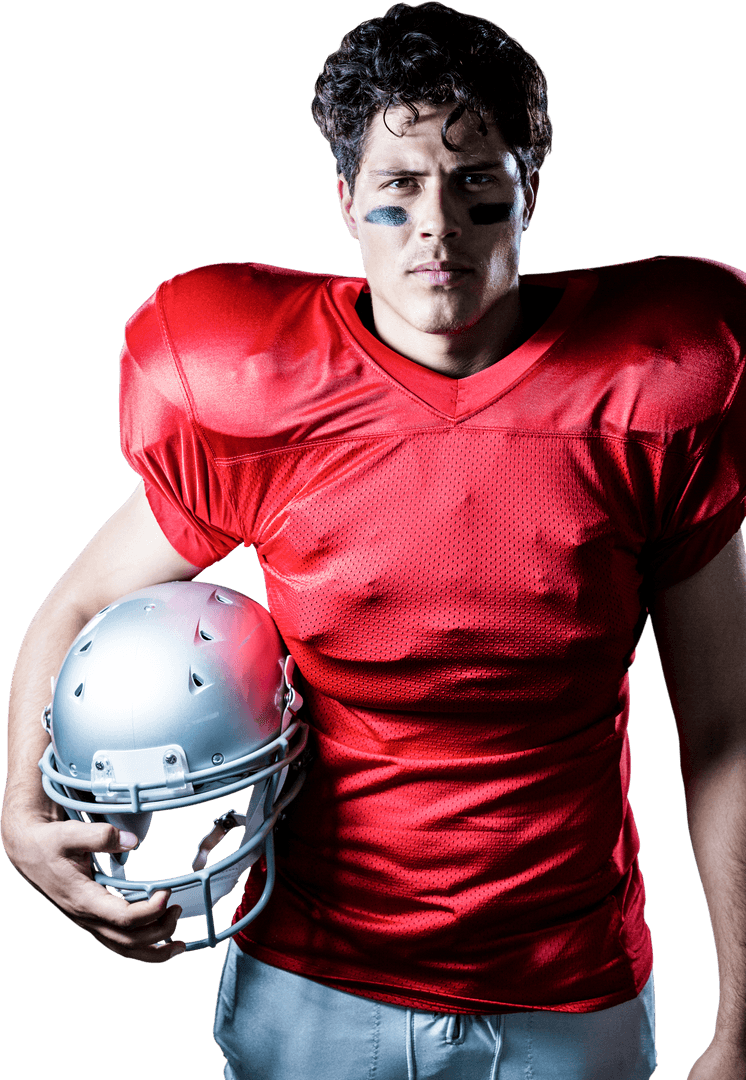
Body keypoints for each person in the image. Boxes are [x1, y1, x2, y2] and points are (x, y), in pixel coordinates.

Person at [3, 3, 745, 1078]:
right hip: (311, 976)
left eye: (473, 180)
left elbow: (723, 723)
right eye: (397, 188)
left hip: (566, 987)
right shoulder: (258, 395)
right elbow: (75, 606)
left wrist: (741, 1026)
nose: (436, 225)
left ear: (527, 187)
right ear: (347, 202)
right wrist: (22, 810)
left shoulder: (654, 391)